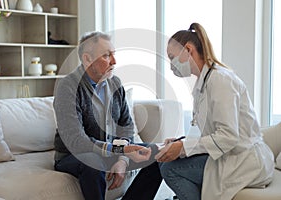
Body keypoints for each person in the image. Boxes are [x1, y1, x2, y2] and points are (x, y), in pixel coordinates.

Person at [155, 22, 275, 200]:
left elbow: (228, 136)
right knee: (167, 161)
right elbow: (208, 130)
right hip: (231, 155)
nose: (171, 64)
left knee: (170, 169)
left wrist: (182, 148)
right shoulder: (204, 82)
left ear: (188, 50)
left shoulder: (220, 80)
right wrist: (180, 142)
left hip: (245, 161)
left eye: (172, 57)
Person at [53, 31, 162, 200]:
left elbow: (126, 126)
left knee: (157, 153)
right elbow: (77, 141)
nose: (114, 61)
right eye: (106, 55)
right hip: (74, 155)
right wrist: (120, 150)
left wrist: (122, 159)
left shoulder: (115, 83)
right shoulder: (68, 87)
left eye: (114, 54)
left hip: (110, 151)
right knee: (93, 162)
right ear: (87, 59)